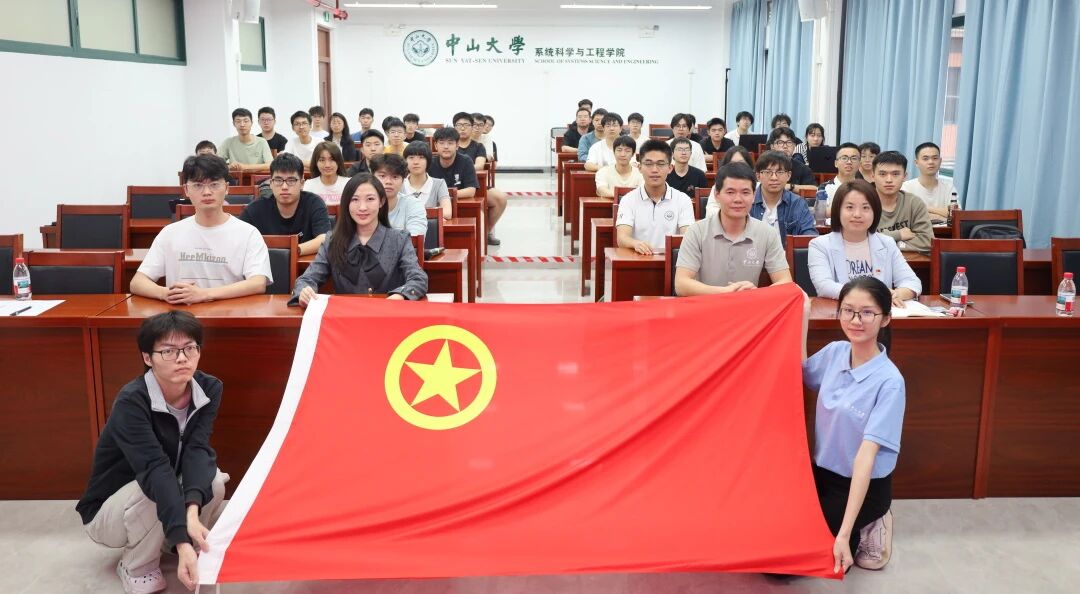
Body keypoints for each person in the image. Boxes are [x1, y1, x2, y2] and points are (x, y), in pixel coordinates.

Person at [77, 311, 229, 593]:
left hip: (157, 487)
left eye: (190, 348)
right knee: (154, 490)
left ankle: (175, 538)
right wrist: (184, 543)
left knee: (214, 481)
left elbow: (197, 449)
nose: (182, 358)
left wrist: (191, 513)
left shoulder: (208, 388)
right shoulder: (132, 400)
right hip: (109, 512)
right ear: (148, 358)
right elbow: (154, 469)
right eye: (168, 351)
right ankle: (136, 565)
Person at [803, 275, 904, 573]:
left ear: (885, 318)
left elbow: (865, 458)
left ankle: (871, 520)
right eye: (848, 311)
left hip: (863, 485)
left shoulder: (890, 382)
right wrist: (802, 316)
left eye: (867, 313)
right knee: (775, 542)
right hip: (822, 474)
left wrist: (844, 535)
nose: (856, 320)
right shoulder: (835, 352)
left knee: (806, 562)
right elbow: (800, 372)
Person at [131, 155, 271, 303]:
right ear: (186, 190)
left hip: (228, 313)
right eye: (198, 185)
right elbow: (137, 282)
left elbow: (258, 283)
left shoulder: (248, 233)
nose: (206, 192)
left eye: (214, 184)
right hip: (182, 314)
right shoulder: (170, 233)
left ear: (227, 188)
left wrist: (203, 294)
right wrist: (166, 293)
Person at [293, 174, 428, 303]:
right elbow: (306, 279)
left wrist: (400, 296)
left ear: (381, 202)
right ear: (346, 203)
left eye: (370, 199)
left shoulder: (399, 239)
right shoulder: (332, 241)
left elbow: (418, 278)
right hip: (345, 315)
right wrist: (304, 293)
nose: (362, 207)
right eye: (355, 200)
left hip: (388, 312)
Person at [675, 162, 792, 295]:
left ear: (754, 196)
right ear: (717, 194)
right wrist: (725, 293)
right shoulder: (696, 231)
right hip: (707, 304)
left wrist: (755, 294)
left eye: (745, 192)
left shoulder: (768, 233)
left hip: (749, 304)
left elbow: (785, 281)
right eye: (730, 192)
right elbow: (681, 284)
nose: (738, 199)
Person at [808, 180, 921, 303]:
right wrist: (876, 295)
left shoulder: (887, 243)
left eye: (865, 208)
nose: (857, 214)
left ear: (875, 212)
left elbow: (912, 282)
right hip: (840, 310)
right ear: (837, 211)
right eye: (849, 207)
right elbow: (824, 287)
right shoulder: (819, 245)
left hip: (879, 313)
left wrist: (897, 294)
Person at [238, 152, 330, 256]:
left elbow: (324, 238)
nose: (284, 187)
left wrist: (290, 252)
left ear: (302, 183)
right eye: (278, 180)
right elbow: (238, 239)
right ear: (271, 184)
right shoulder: (255, 209)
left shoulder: (314, 203)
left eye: (291, 180)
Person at [615, 140, 694, 255]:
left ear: (670, 168)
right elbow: (622, 238)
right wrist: (635, 244)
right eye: (648, 164)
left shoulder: (683, 200)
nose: (654, 170)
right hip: (639, 258)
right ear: (639, 167)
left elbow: (687, 237)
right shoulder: (628, 200)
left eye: (661, 164)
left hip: (672, 261)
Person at [739, 151, 819, 246]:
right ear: (758, 176)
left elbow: (810, 236)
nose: (774, 178)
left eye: (780, 172)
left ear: (788, 175)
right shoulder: (747, 202)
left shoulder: (798, 204)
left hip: (786, 255)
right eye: (768, 172)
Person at [873, 151, 933, 253]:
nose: (889, 180)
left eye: (895, 174)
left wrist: (894, 244)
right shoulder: (863, 203)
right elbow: (859, 240)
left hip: (908, 262)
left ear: (904, 176)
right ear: (873, 176)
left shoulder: (914, 203)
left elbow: (927, 241)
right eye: (882, 174)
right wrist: (898, 235)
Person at [902, 142, 958, 223]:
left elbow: (956, 214)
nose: (931, 162)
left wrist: (926, 208)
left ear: (940, 161)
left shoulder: (948, 186)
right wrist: (940, 216)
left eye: (935, 158)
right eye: (925, 159)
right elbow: (906, 215)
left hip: (944, 230)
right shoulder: (906, 187)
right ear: (916, 163)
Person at [371, 153, 426, 236]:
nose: (388, 182)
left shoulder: (413, 204)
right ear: (372, 177)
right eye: (382, 176)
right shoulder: (363, 205)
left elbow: (415, 237)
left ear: (403, 180)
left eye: (395, 177)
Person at [403, 141, 452, 219]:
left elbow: (447, 213)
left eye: (421, 157)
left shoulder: (439, 184)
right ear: (405, 161)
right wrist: (433, 214)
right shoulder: (399, 184)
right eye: (411, 157)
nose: (416, 162)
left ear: (428, 161)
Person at [218, 108, 272, 174]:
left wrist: (245, 167)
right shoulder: (228, 142)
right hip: (235, 178)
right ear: (234, 124)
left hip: (257, 178)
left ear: (251, 123)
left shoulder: (262, 142)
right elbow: (215, 163)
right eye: (238, 121)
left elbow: (270, 165)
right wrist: (229, 167)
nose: (242, 124)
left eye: (246, 121)